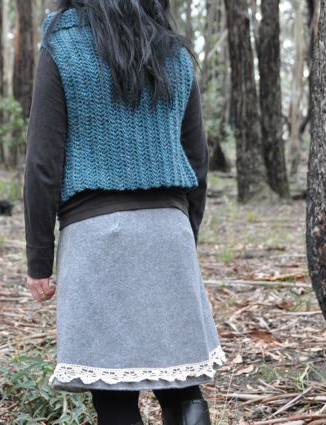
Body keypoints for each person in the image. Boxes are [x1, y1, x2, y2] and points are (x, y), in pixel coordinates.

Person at [22, 1, 227, 424]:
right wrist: (183, 234)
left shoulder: (62, 46)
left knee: (113, 395)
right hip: (169, 230)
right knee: (183, 388)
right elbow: (197, 158)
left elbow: (43, 162)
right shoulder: (171, 49)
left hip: (95, 238)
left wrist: (39, 259)